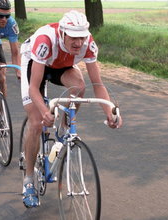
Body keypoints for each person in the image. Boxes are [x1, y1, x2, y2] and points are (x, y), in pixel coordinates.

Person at [19, 10, 123, 208]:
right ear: (62, 34)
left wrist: (109, 113)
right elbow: (33, 88)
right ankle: (28, 181)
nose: (78, 43)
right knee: (36, 122)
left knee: (79, 87)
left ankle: (63, 129)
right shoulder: (45, 40)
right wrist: (43, 111)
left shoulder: (88, 45)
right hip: (36, 63)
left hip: (61, 66)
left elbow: (98, 84)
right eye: (73, 38)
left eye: (82, 37)